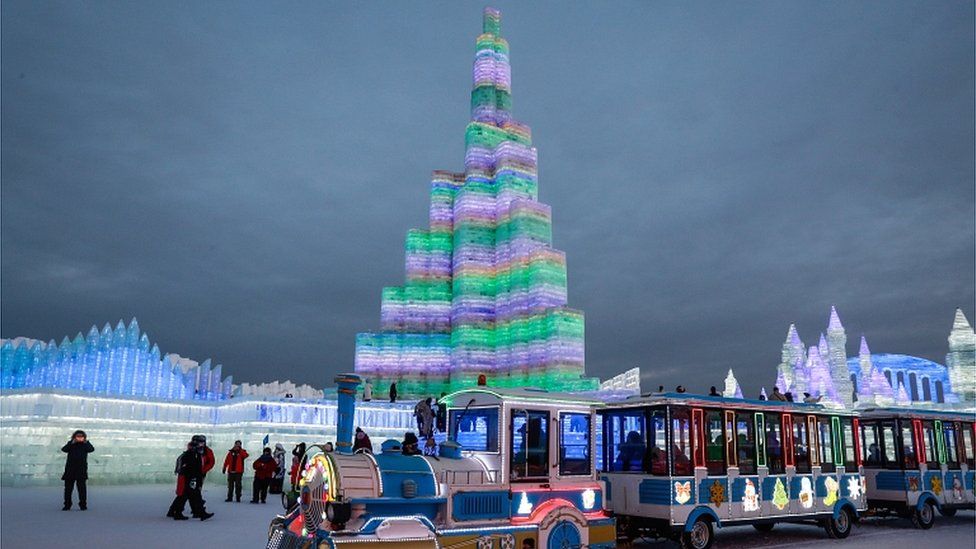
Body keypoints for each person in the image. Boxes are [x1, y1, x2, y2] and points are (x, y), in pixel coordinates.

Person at [170, 438, 214, 521]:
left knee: (186, 496)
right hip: (191, 479)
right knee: (193, 495)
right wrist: (196, 477)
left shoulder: (190, 454)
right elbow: (192, 468)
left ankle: (177, 512)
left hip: (189, 478)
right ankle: (199, 513)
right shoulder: (192, 455)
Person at [61, 430, 94, 511]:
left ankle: (83, 505)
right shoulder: (71, 444)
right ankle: (67, 505)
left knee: (82, 489)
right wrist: (72, 443)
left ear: (84, 437)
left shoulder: (85, 445)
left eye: (81, 436)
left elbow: (91, 449)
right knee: (68, 489)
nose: (79, 438)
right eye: (78, 436)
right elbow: (64, 449)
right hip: (70, 470)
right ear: (74, 437)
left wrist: (86, 442)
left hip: (81, 470)